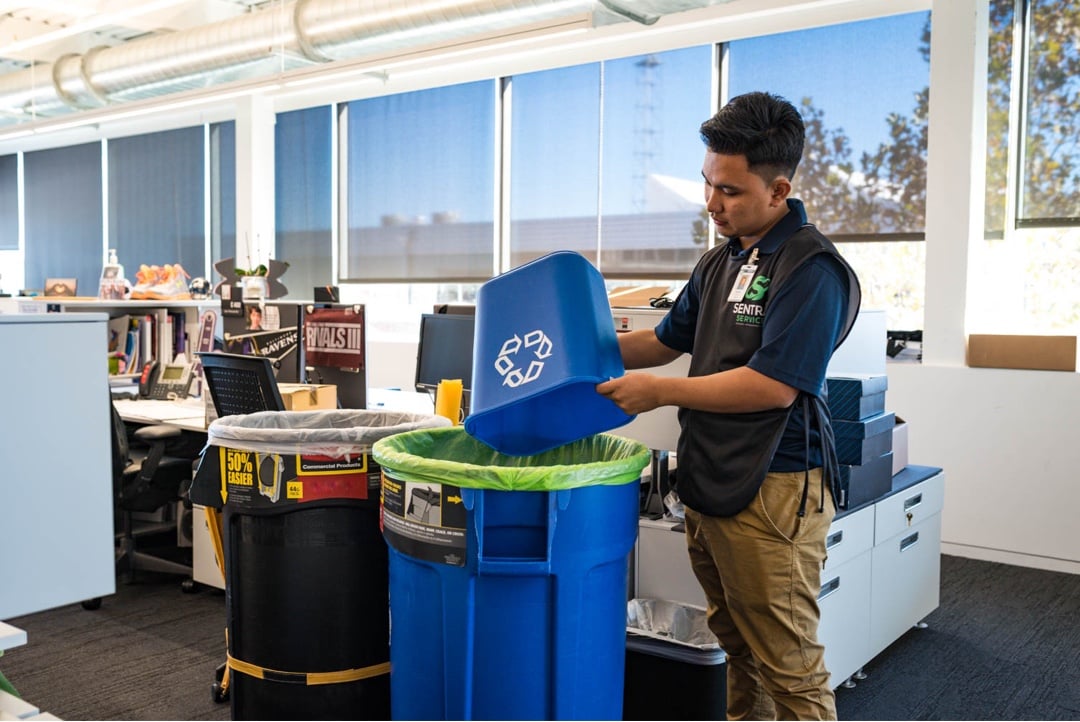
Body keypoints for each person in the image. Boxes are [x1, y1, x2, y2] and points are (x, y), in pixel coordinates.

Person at [596, 91, 861, 721]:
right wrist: (579, 347)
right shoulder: (723, 260)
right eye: (708, 186)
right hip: (713, 475)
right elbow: (663, 342)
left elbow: (772, 384)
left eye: (731, 191)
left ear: (778, 189)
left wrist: (659, 392)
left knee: (788, 666)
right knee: (738, 645)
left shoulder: (812, 269)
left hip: (774, 489)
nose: (713, 204)